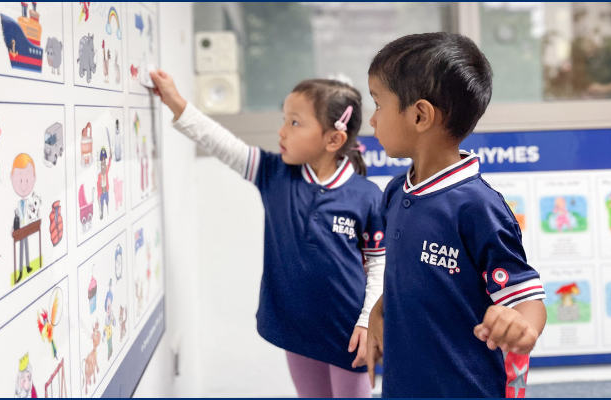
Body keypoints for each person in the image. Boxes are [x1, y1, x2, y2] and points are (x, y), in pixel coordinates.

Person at [149, 70, 386, 398]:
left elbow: (378, 266)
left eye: (295, 123)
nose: (282, 131)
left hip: (349, 331)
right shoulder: (274, 174)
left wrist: (367, 322)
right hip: (295, 328)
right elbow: (221, 143)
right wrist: (175, 102)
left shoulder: (367, 195)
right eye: (284, 119)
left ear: (333, 139)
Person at [363, 33, 547, 398]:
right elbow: (407, 276)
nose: (372, 120)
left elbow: (527, 297)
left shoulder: (478, 206)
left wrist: (522, 325)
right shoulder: (396, 192)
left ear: (420, 115)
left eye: (378, 104)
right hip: (405, 385)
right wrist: (378, 313)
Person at [11, 153, 37, 275]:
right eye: (20, 180)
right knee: (20, 249)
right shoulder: (17, 206)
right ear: (12, 177)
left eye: (27, 180)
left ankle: (27, 267)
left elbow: (31, 213)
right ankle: (21, 270)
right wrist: (13, 228)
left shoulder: (27, 203)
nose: (23, 185)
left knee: (26, 248)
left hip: (26, 227)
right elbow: (15, 218)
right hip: (20, 229)